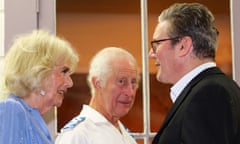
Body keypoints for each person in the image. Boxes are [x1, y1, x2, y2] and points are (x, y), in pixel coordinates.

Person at [149, 3, 240, 144]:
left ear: (183, 46)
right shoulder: (214, 90)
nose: (151, 54)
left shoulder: (208, 94)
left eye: (157, 44)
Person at [0, 30, 79, 144]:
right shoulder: (12, 110)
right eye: (64, 72)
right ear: (39, 72)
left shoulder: (35, 121)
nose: (70, 83)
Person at [55, 47, 140, 144]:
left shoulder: (126, 135)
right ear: (97, 83)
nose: (130, 92)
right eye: (121, 82)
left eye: (133, 82)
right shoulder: (78, 134)